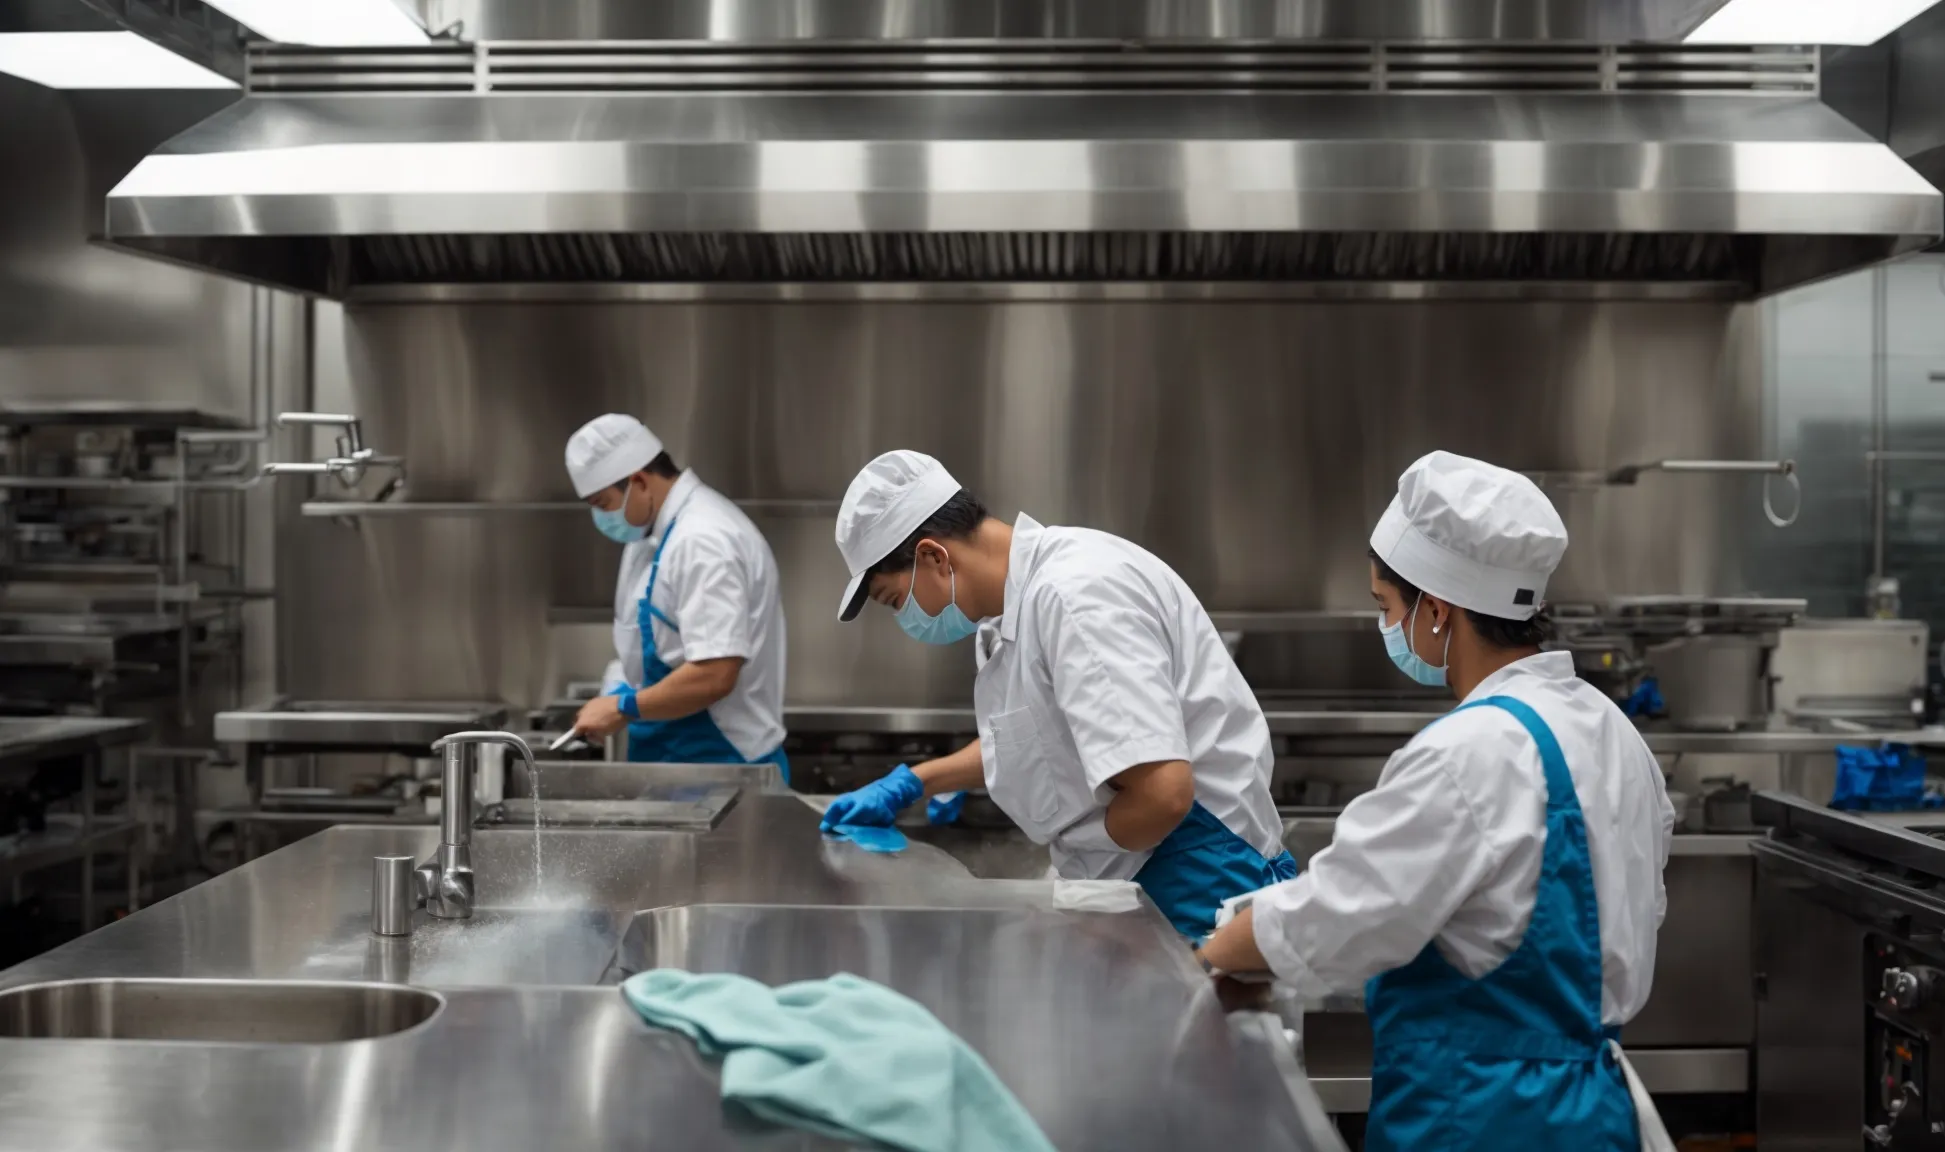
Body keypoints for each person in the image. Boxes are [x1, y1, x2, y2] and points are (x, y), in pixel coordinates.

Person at [1197, 451, 1675, 1152]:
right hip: (1595, 1113)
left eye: (1387, 607)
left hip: (1482, 1116)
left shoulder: (1472, 749)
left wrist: (1219, 946)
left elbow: (1342, 914)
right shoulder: (1612, 732)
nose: (1387, 628)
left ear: (1438, 610)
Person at [821, 449, 1295, 939]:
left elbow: (1163, 795)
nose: (905, 619)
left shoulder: (1076, 596)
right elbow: (1041, 737)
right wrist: (914, 782)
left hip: (1196, 879)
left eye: (896, 601)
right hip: (1140, 874)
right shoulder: (1014, 613)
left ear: (932, 556)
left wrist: (1077, 850)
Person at [563, 414, 789, 778]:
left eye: (603, 504)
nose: (601, 518)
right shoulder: (648, 538)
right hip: (672, 762)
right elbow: (642, 647)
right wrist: (618, 689)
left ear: (639, 481)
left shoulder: (703, 539)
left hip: (724, 768)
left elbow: (715, 674)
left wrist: (623, 707)